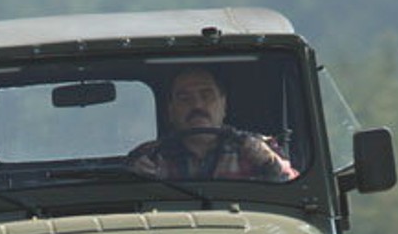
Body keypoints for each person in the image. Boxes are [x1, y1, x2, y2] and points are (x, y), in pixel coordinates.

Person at [125, 66, 297, 182]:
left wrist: (269, 164)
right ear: (171, 111)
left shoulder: (259, 149)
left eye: (206, 95)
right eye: (184, 98)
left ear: (223, 105)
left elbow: (295, 189)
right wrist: (138, 177)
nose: (197, 105)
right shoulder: (150, 156)